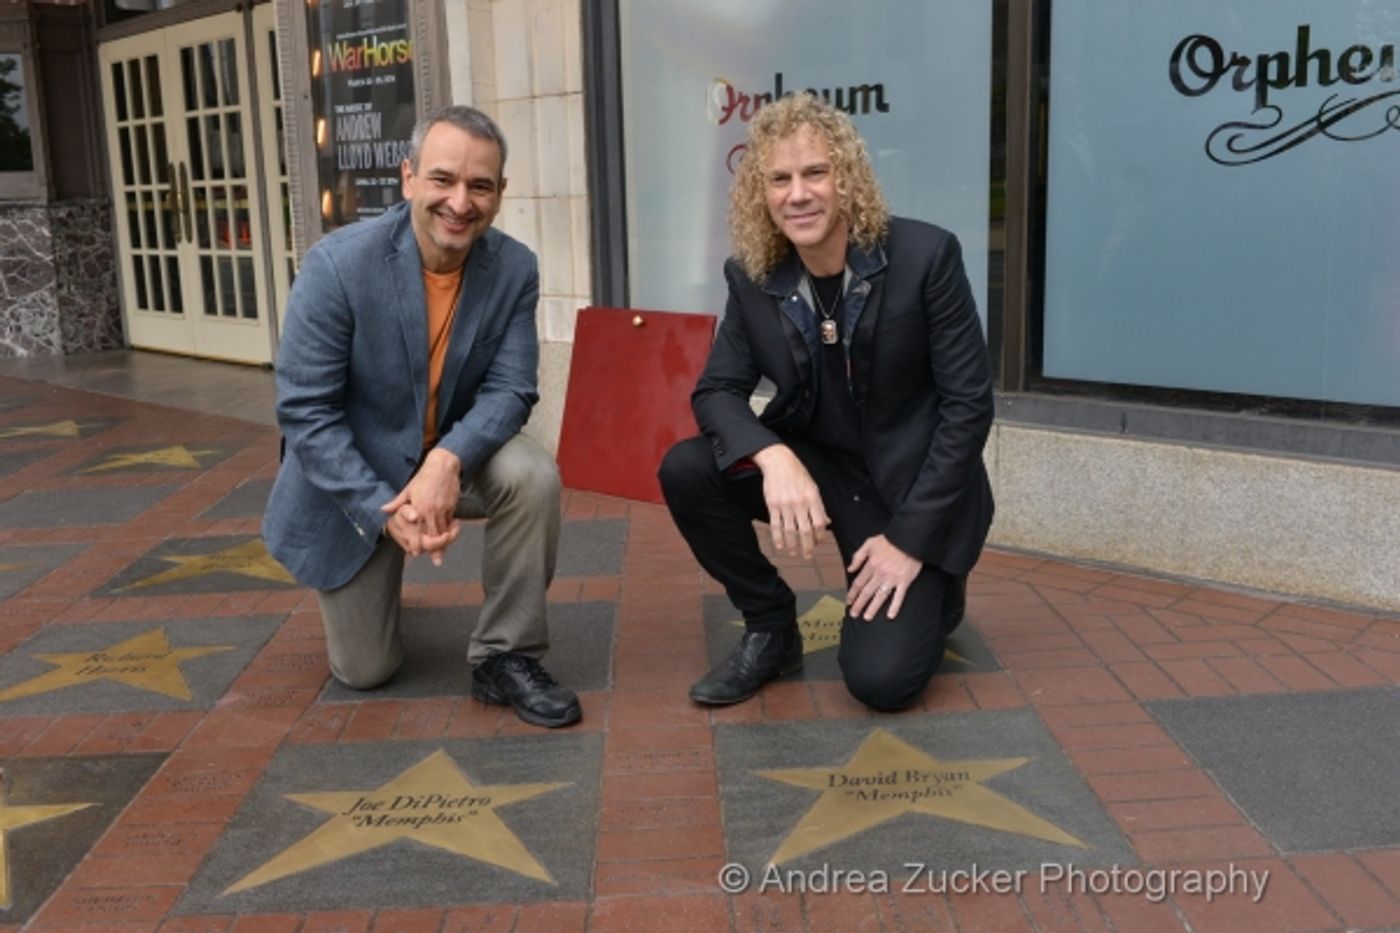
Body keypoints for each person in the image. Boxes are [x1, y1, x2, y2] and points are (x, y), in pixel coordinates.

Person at [659, 93, 995, 712]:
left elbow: (968, 408)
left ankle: (940, 586)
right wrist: (772, 456)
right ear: (761, 193)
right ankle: (770, 628)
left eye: (815, 172)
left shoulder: (926, 257)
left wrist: (909, 542)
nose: (798, 194)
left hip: (907, 491)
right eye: (779, 179)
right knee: (686, 468)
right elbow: (716, 391)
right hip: (820, 473)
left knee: (881, 683)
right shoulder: (754, 274)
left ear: (847, 178)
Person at [262, 105, 580, 728]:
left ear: (499, 193)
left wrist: (446, 459)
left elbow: (513, 389)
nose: (460, 202)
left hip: (454, 455)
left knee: (533, 475)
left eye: (479, 186)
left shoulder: (513, 268)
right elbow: (305, 413)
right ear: (408, 178)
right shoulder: (338, 265)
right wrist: (386, 515)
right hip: (359, 475)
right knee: (366, 671)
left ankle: (505, 656)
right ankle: (372, 578)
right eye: (443, 179)